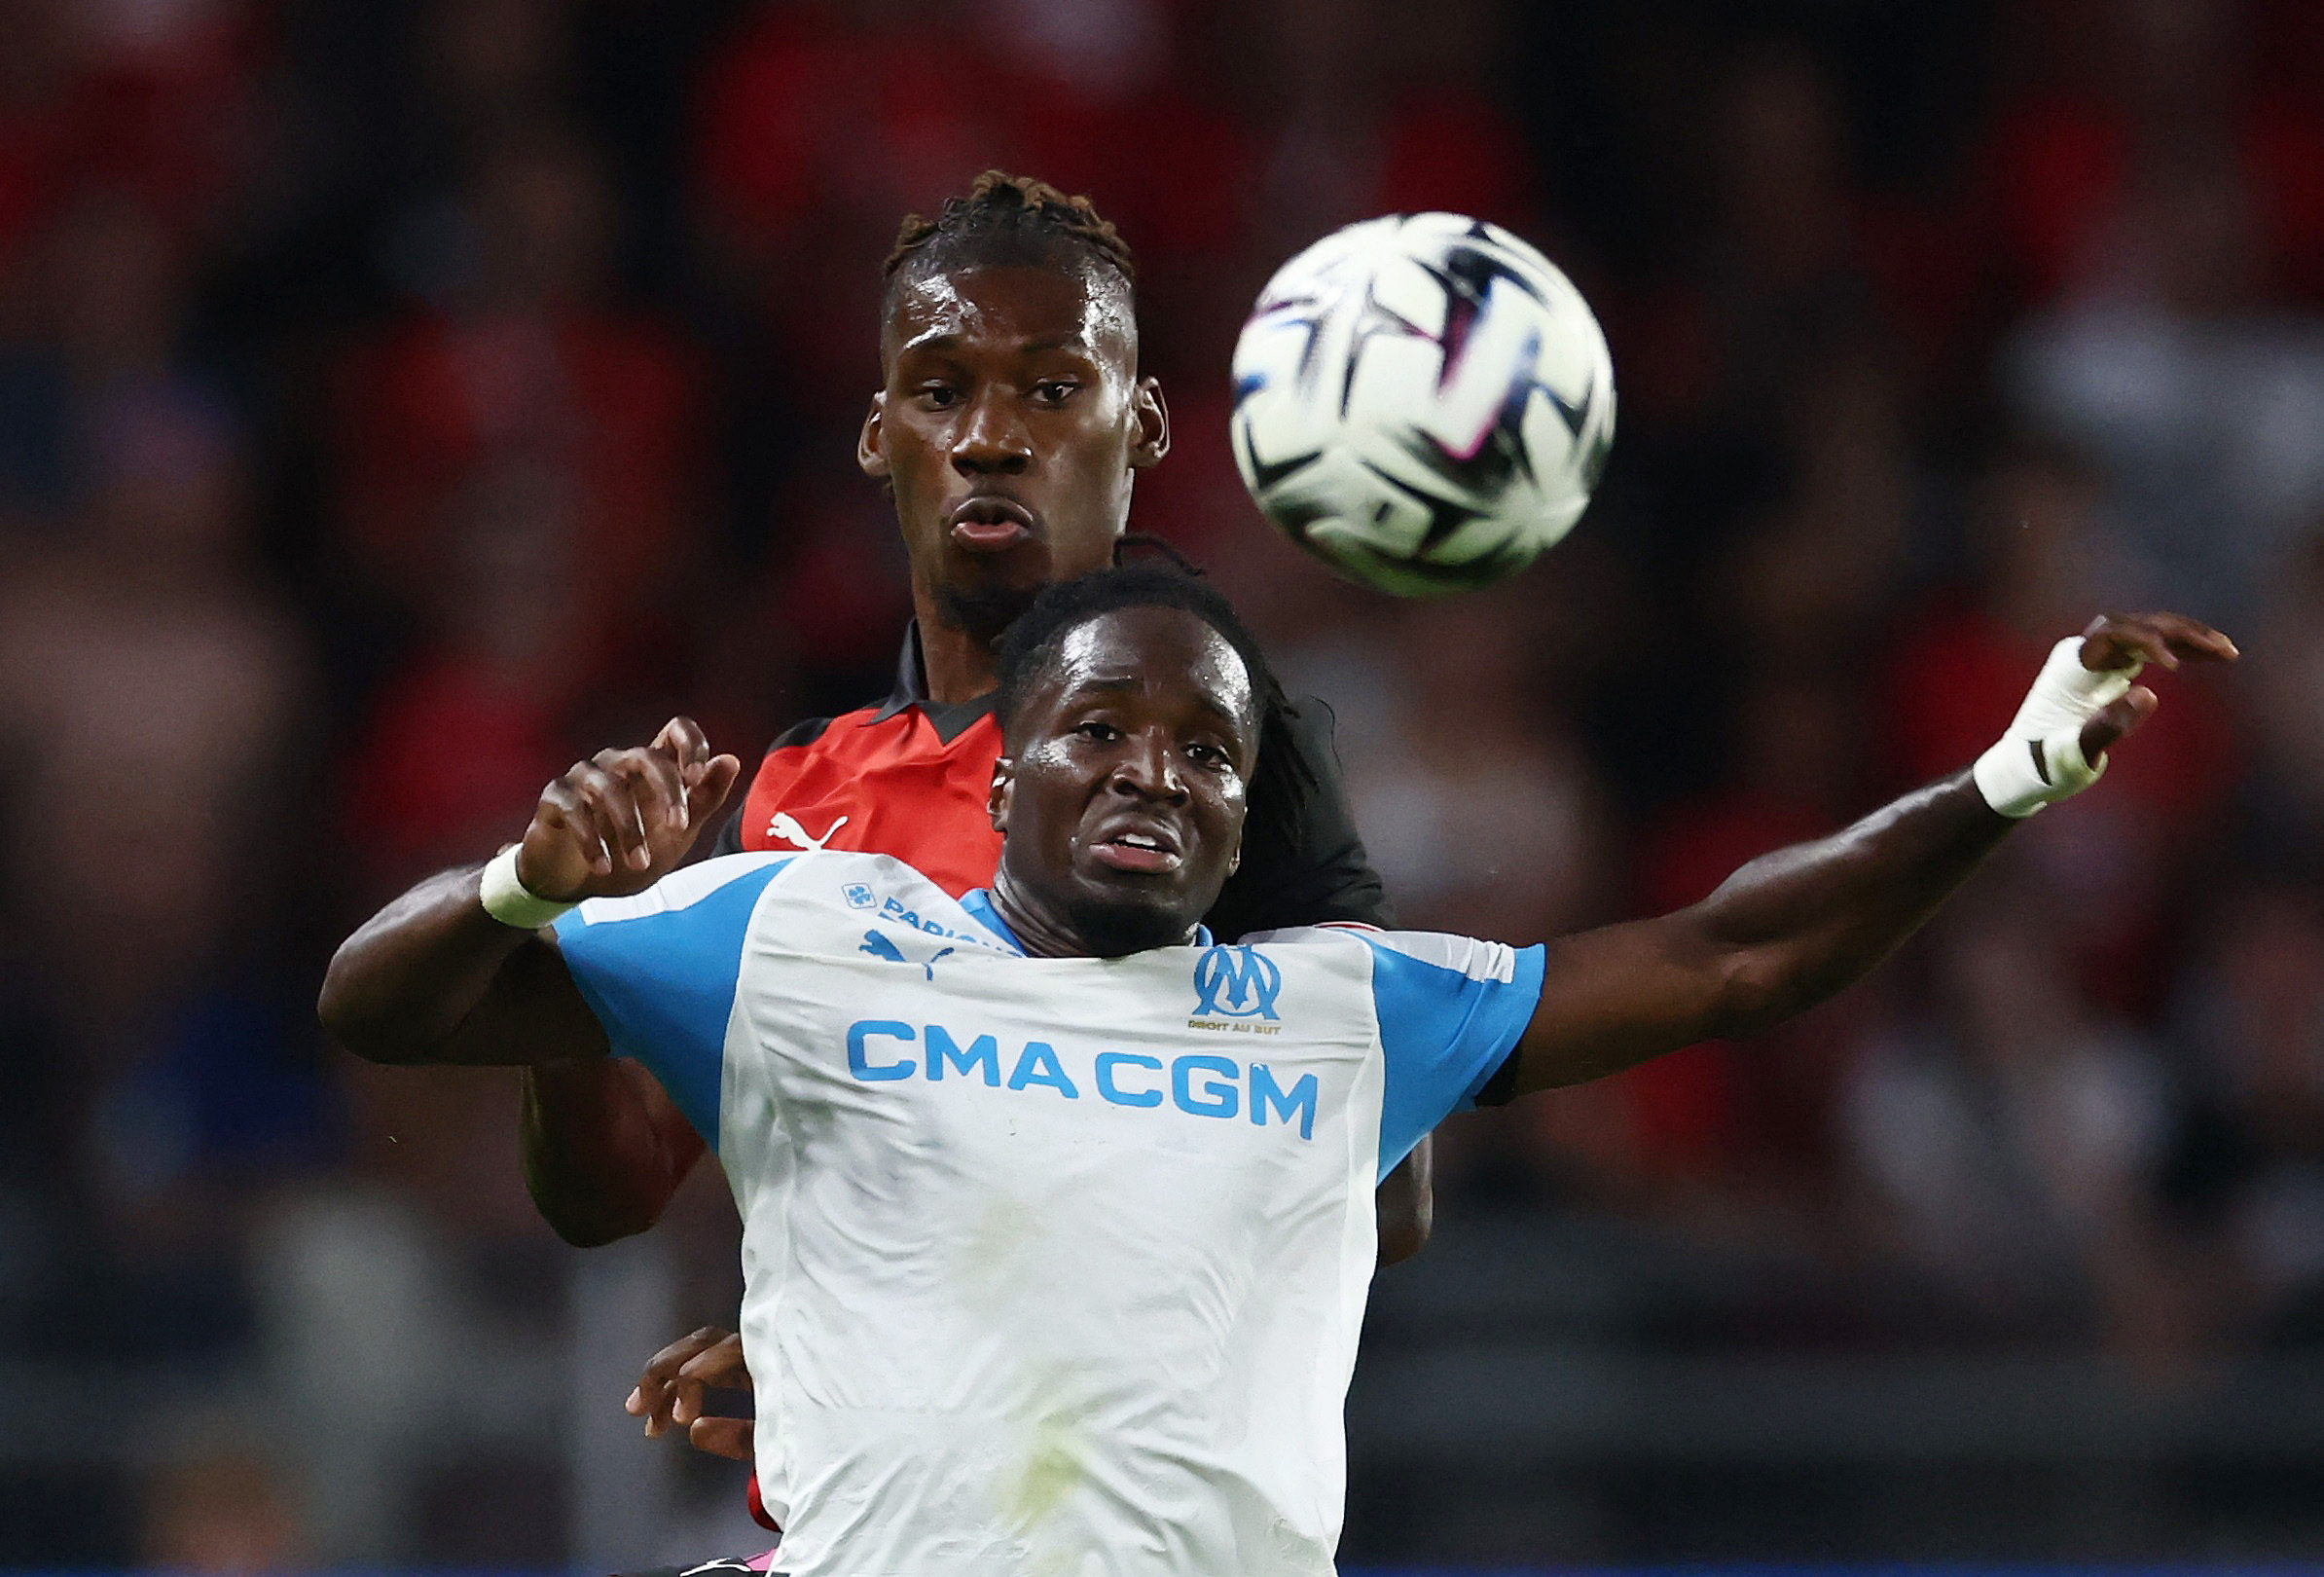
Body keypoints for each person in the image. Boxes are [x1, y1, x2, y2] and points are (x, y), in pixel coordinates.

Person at [320, 563, 2232, 1576]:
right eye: (1104, 728)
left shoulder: (1338, 1008)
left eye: (1211, 751)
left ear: (1247, 819)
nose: (1160, 767)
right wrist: (526, 881)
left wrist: (2011, 777)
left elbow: (1738, 955)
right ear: (1002, 781)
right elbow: (378, 1003)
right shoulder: (801, 937)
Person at [323, 170, 1428, 1555]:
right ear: (877, 433)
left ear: (1137, 423)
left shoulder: (1221, 767)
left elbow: (1380, 1196)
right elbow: (607, 1192)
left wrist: (936, 1320)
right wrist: (591, 950)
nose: (989, 438)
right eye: (943, 388)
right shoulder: (792, 791)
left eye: (1048, 389)